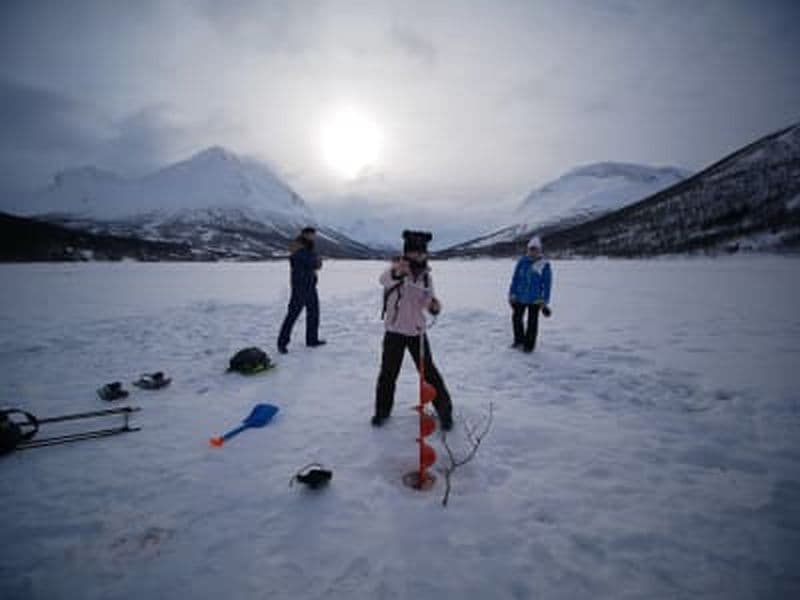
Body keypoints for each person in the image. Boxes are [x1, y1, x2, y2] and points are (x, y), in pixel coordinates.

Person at [373, 230, 453, 430]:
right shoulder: (396, 268)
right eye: (414, 252)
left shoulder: (426, 277)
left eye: (421, 252)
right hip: (394, 331)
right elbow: (383, 280)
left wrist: (434, 306)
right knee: (388, 374)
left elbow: (427, 300)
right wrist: (397, 272)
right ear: (406, 253)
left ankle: (445, 412)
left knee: (430, 374)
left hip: (417, 332)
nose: (418, 256)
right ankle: (382, 412)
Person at [277, 227, 326, 354]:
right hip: (300, 286)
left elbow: (315, 263)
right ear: (305, 234)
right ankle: (282, 343)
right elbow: (314, 263)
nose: (313, 237)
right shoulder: (299, 248)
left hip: (310, 285)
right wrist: (317, 261)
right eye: (311, 235)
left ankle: (312, 339)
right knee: (292, 315)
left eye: (314, 235)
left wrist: (316, 261)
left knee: (314, 313)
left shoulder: (308, 247)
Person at [508, 235, 552, 352]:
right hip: (520, 297)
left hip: (535, 299)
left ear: (540, 250)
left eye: (535, 249)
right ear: (528, 249)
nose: (533, 252)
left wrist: (544, 301)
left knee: (532, 323)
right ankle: (519, 341)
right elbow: (515, 279)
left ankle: (529, 346)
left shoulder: (544, 265)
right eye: (531, 249)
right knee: (516, 319)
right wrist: (512, 293)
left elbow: (547, 284)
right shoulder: (522, 262)